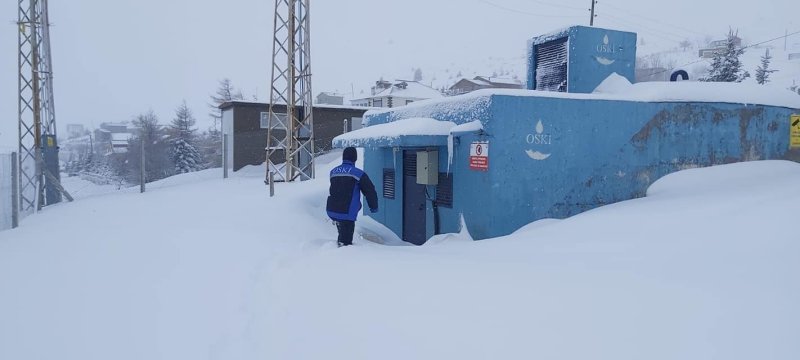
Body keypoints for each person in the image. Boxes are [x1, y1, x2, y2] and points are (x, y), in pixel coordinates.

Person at [326, 147, 378, 247]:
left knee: (341, 235)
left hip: (332, 210)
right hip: (347, 213)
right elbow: (370, 191)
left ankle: (336, 250)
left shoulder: (333, 172)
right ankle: (343, 256)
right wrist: (373, 207)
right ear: (355, 158)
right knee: (346, 243)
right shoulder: (358, 174)